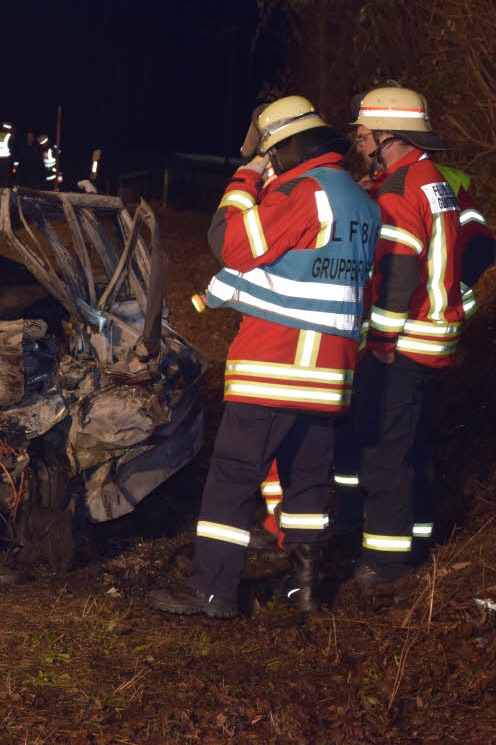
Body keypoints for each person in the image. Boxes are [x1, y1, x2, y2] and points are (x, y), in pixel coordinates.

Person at [146, 96, 380, 618]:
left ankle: (211, 590)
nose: (271, 163)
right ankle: (307, 588)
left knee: (233, 475)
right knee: (308, 479)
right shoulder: (363, 203)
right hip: (330, 371)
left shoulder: (305, 192)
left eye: (273, 154)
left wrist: (245, 178)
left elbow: (231, 243)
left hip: (276, 364)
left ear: (290, 145)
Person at [345, 86, 468, 585]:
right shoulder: (429, 178)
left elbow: (397, 274)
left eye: (362, 131)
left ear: (385, 134)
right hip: (434, 338)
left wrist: (380, 345)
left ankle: (385, 563)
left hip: (405, 342)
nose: (357, 138)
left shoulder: (400, 191)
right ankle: (416, 537)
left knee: (384, 452)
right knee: (413, 444)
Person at [0, 122, 15, 187]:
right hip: (5, 160)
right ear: (9, 129)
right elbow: (12, 149)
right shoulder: (9, 136)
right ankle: (4, 193)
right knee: (5, 179)